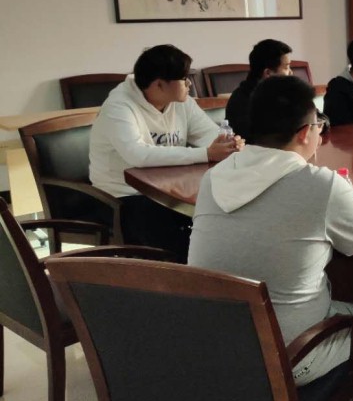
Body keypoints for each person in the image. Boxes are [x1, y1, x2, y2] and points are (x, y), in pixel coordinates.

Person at [188, 75, 353, 385]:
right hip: (285, 358)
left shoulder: (214, 177)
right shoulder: (321, 185)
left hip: (210, 341)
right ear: (304, 133)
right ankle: (293, 398)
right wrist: (342, 195)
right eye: (318, 125)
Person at [89, 44, 240, 260]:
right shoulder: (118, 106)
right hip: (124, 195)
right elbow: (138, 155)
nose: (189, 83)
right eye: (184, 78)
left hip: (169, 188)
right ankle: (183, 276)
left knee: (220, 218)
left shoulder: (182, 102)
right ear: (159, 84)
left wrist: (227, 144)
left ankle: (217, 271)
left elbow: (209, 135)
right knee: (177, 243)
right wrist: (207, 154)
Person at [224, 39, 293, 140]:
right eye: (286, 67)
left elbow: (312, 117)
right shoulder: (243, 101)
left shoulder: (281, 92)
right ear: (268, 73)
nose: (291, 73)